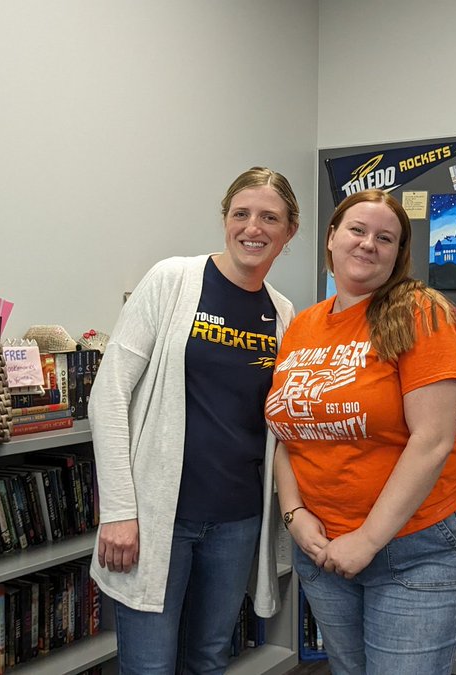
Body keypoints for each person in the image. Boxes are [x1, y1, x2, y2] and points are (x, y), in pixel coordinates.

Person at [89, 167, 300, 675]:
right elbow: (108, 394)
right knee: (149, 666)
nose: (254, 227)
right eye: (241, 214)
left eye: (270, 217)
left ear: (289, 231)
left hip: (237, 519)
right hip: (160, 516)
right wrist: (118, 510)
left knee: (208, 659)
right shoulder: (173, 280)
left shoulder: (284, 311)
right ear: (225, 219)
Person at [265, 189, 456, 675]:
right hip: (323, 549)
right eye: (357, 230)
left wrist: (367, 541)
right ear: (332, 238)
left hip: (415, 548)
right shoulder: (301, 326)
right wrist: (294, 515)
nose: (368, 244)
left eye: (385, 238)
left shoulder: (420, 313)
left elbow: (432, 440)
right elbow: (285, 430)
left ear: (398, 254)